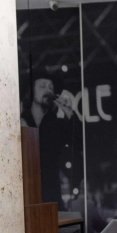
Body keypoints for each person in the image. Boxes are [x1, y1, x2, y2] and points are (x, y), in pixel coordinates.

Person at [20, 73, 81, 211]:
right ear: (31, 92)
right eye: (42, 86)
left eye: (51, 87)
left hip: (52, 197)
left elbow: (78, 143)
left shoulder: (57, 124)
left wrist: (69, 112)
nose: (48, 90)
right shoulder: (20, 121)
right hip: (26, 197)